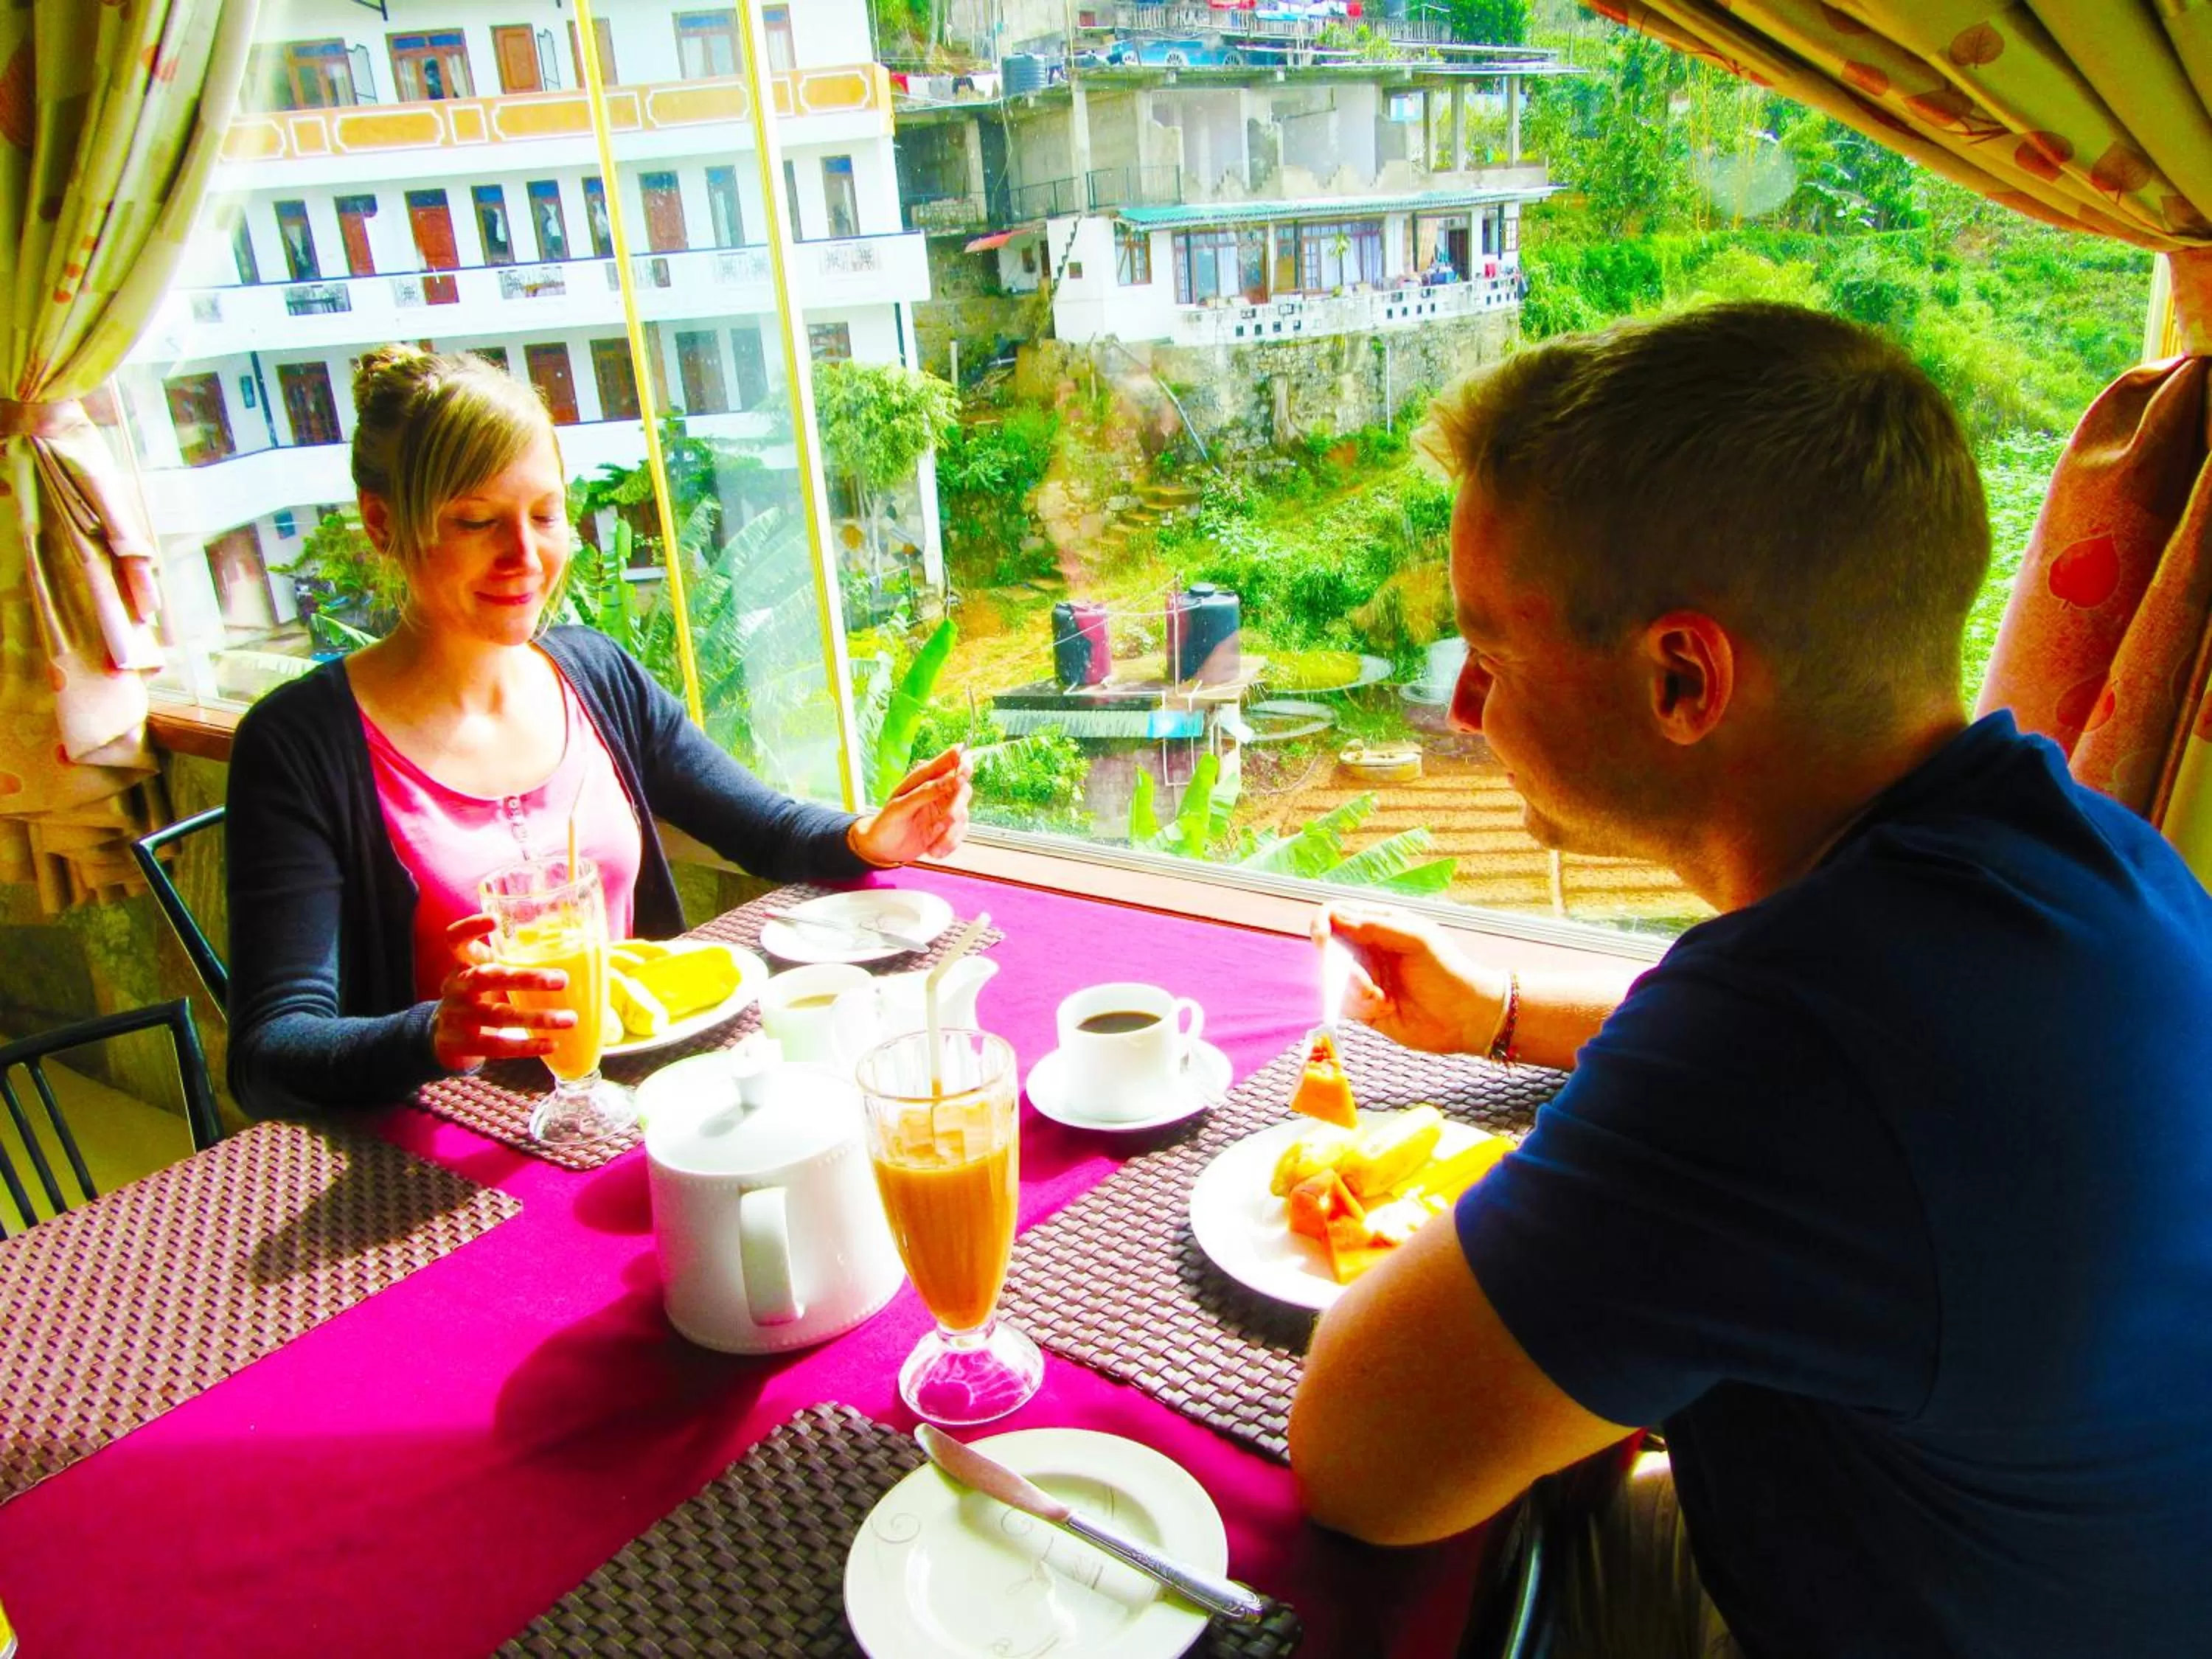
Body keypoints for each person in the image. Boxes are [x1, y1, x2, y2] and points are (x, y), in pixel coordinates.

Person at [1287, 302, 2212, 1657]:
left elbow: (1360, 1463)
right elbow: (1875, 1099)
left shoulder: (1783, 1046)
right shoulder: (2085, 853)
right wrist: (1498, 1017)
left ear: (1682, 674)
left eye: (1493, 652)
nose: (1468, 711)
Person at [226, 345, 973, 1118]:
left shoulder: (594, 675)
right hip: (445, 1167)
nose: (526, 557)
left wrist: (867, 839)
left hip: (637, 1111)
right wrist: (434, 1034)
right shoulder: (299, 747)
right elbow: (269, 1052)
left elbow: (764, 827)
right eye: (477, 521)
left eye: (546, 515)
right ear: (383, 524)